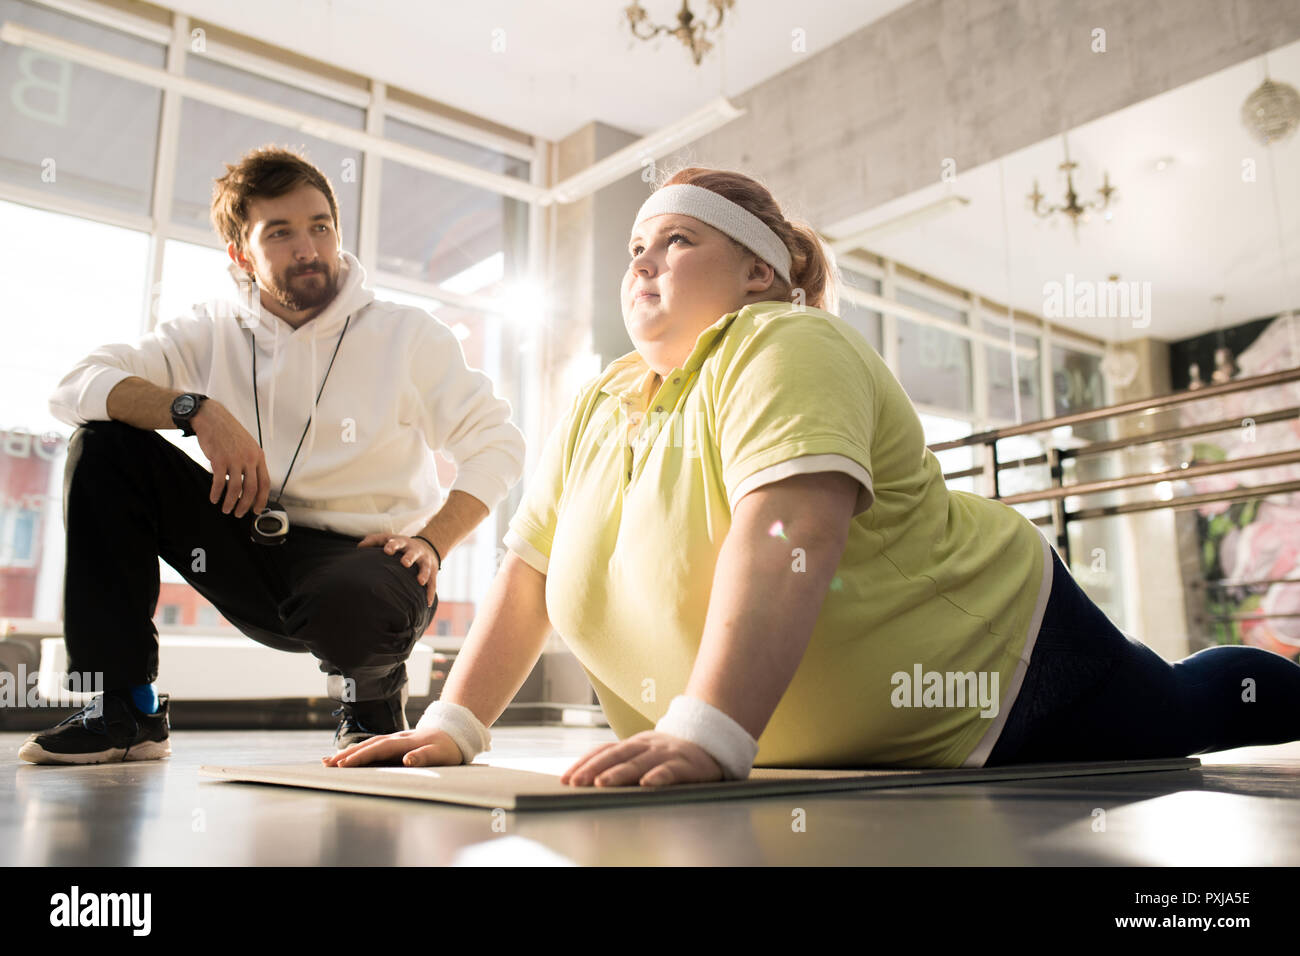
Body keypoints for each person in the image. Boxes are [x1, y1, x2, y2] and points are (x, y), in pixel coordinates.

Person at [327, 166, 1300, 787]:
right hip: (834, 730)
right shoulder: (600, 397)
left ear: (758, 272)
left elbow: (788, 529)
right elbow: (529, 570)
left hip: (999, 661)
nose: (644, 265)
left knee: (1182, 713)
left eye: (677, 240)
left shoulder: (783, 341)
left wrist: (709, 730)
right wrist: (457, 721)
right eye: (634, 248)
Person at [20, 145, 525, 765]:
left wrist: (435, 540)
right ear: (240, 253)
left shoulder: (407, 334)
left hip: (363, 563)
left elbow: (498, 442)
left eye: (320, 226)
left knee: (359, 595)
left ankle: (370, 706)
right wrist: (195, 410)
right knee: (103, 446)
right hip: (244, 544)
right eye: (280, 232)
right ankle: (126, 709)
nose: (308, 247)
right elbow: (73, 386)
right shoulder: (209, 329)